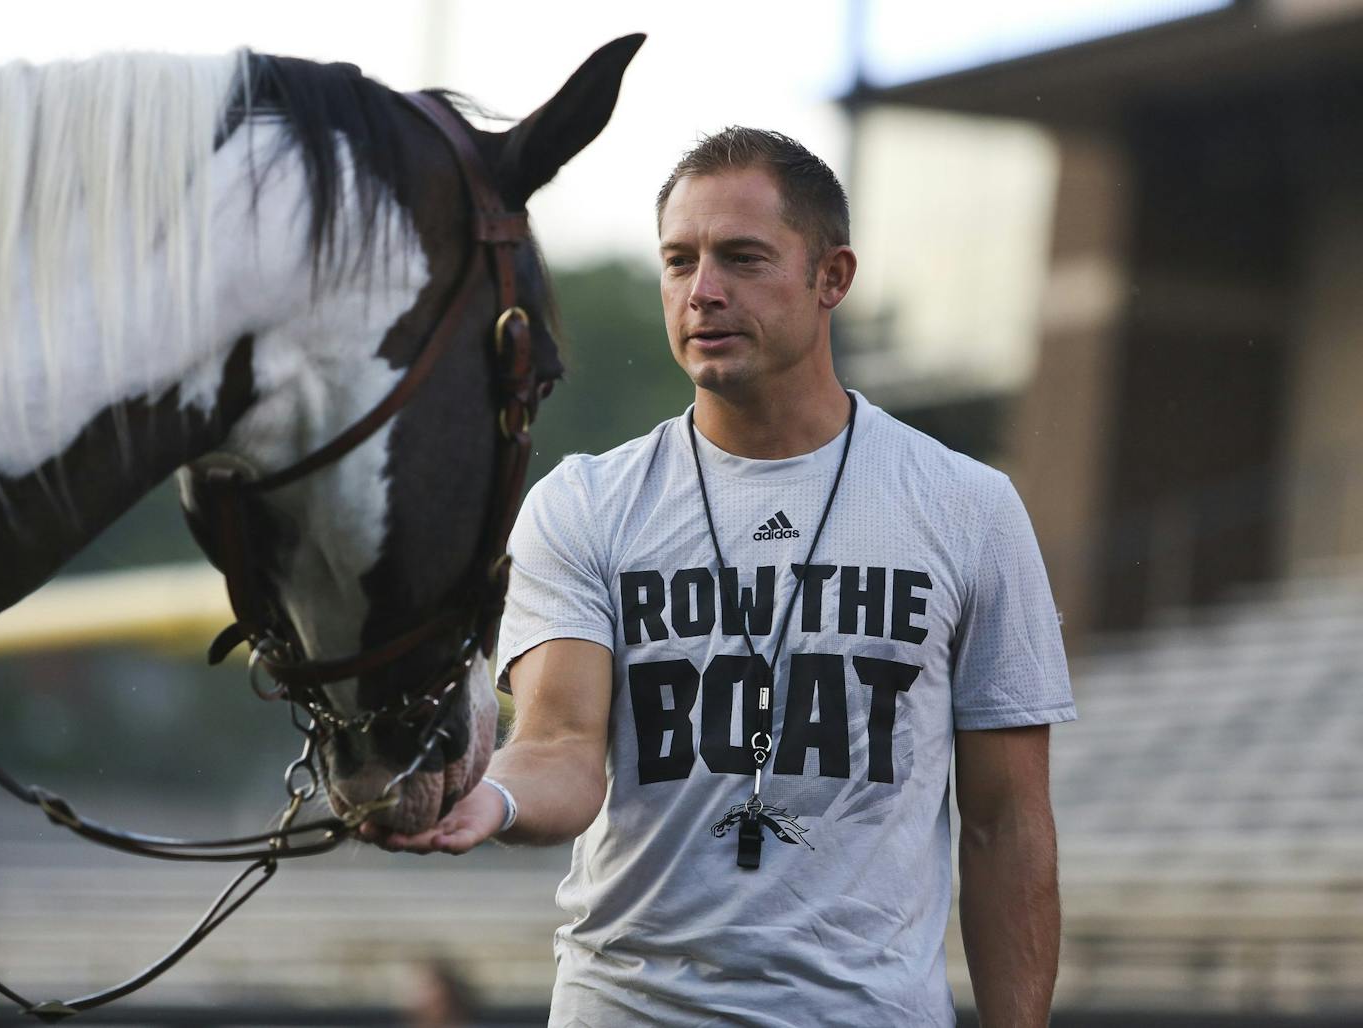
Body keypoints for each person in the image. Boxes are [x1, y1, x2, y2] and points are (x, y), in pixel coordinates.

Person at [361, 127, 1076, 1027]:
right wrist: (490, 799)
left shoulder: (968, 506)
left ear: (832, 278)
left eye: (742, 259)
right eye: (679, 261)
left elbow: (1006, 823)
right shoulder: (583, 503)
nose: (703, 292)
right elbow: (562, 747)